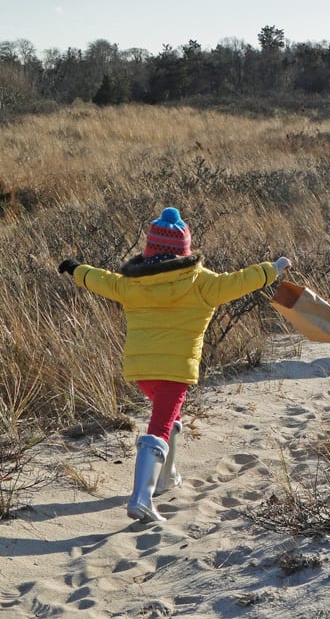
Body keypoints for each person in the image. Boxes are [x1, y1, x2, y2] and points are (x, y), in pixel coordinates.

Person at [58, 207, 291, 523]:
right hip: (175, 371)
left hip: (141, 372)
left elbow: (102, 280)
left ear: (149, 249)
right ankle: (141, 497)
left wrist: (76, 269)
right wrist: (272, 270)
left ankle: (166, 479)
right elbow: (240, 281)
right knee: (160, 426)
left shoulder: (131, 284)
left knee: (169, 418)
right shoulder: (202, 283)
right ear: (185, 250)